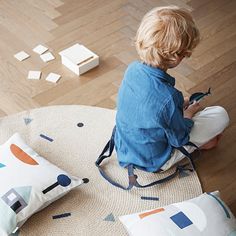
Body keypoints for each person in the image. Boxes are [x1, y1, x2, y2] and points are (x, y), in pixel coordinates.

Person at [114, 6, 229, 173]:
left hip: (125, 147)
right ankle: (198, 147)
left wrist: (174, 108)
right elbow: (179, 139)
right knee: (220, 114)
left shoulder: (132, 69)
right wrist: (187, 116)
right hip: (154, 161)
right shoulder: (169, 98)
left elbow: (150, 105)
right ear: (178, 57)